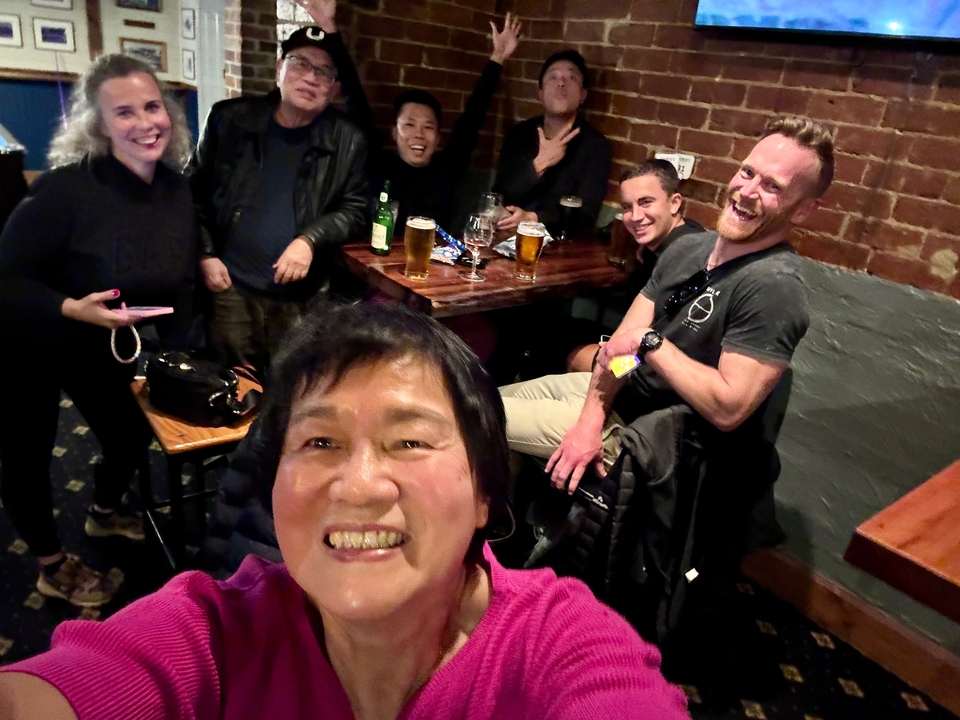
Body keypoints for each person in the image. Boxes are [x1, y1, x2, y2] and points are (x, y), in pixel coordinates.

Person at [0, 302, 691, 720]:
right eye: (320, 441)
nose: (358, 484)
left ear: (485, 495)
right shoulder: (212, 631)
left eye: (410, 441)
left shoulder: (558, 644)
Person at [501, 114, 834, 491]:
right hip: (614, 404)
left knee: (463, 419)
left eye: (773, 185)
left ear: (804, 209)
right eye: (747, 172)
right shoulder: (691, 248)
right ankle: (505, 526)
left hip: (651, 442)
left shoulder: (775, 287)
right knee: (477, 402)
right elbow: (617, 354)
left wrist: (651, 344)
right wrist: (589, 421)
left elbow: (728, 408)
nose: (747, 191)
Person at [0, 54, 197, 607]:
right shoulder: (64, 190)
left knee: (129, 436)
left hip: (98, 341)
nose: (146, 122)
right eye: (125, 112)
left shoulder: (176, 190)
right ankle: (50, 566)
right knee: (28, 453)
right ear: (101, 125)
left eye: (153, 106)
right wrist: (68, 307)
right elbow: (5, 279)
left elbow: (176, 264)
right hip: (27, 336)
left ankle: (104, 515)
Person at [188, 23, 369, 374]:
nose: (311, 78)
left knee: (293, 386)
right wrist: (205, 253)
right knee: (232, 384)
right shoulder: (230, 120)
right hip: (230, 287)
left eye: (324, 72)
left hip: (302, 297)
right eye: (300, 63)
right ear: (279, 68)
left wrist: (310, 240)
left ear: (333, 90)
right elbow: (191, 193)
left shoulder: (349, 139)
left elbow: (357, 208)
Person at [299, 0, 521, 233]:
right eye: (409, 125)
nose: (419, 135)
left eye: (428, 127)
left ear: (438, 138)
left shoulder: (447, 167)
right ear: (395, 132)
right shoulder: (377, 162)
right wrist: (329, 28)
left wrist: (498, 57)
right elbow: (354, 97)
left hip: (434, 262)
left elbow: (473, 117)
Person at [566, 159, 704, 373]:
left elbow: (672, 340)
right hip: (643, 348)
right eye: (627, 207)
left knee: (571, 352)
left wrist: (615, 361)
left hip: (655, 367)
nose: (636, 216)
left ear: (675, 202)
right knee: (563, 328)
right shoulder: (685, 233)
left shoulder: (686, 256)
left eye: (646, 202)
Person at [492, 49, 612, 237]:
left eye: (571, 77)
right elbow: (500, 194)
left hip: (560, 248)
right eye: (553, 77)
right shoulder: (519, 135)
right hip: (505, 238)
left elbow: (585, 216)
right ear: (540, 93)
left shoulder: (595, 146)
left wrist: (533, 218)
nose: (561, 83)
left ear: (583, 95)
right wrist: (540, 164)